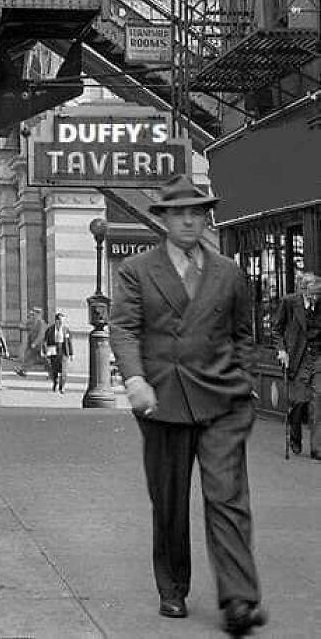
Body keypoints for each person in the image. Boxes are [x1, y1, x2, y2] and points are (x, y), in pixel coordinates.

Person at [109, 174, 266, 636]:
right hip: (163, 403)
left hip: (223, 402)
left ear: (206, 218)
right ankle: (173, 587)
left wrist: (244, 380)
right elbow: (124, 329)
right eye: (180, 213)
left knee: (227, 498)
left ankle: (239, 599)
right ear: (164, 219)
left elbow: (243, 334)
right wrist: (135, 379)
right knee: (169, 502)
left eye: (197, 213)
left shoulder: (228, 272)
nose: (189, 221)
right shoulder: (137, 270)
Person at [272, 271, 321, 459]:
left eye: (318, 294)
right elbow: (276, 330)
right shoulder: (289, 302)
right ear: (303, 290)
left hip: (318, 357)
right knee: (299, 401)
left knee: (318, 400)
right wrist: (281, 350)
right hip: (298, 358)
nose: (316, 298)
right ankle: (295, 436)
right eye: (312, 294)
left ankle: (317, 448)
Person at [42, 312, 73, 393]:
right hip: (53, 351)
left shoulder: (66, 330)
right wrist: (45, 351)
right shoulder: (50, 329)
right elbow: (45, 341)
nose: (62, 322)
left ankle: (62, 386)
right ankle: (55, 382)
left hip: (63, 351)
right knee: (54, 369)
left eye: (63, 320)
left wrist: (71, 353)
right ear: (56, 321)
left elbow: (69, 342)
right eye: (60, 320)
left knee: (64, 370)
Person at [16, 307, 47, 377]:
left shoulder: (41, 323)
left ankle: (53, 372)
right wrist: (27, 320)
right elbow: (22, 326)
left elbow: (41, 335)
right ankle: (23, 370)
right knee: (29, 358)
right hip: (32, 344)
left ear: (39, 314)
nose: (34, 315)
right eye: (33, 314)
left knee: (44, 359)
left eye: (35, 313)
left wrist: (35, 343)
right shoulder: (32, 322)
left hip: (39, 345)